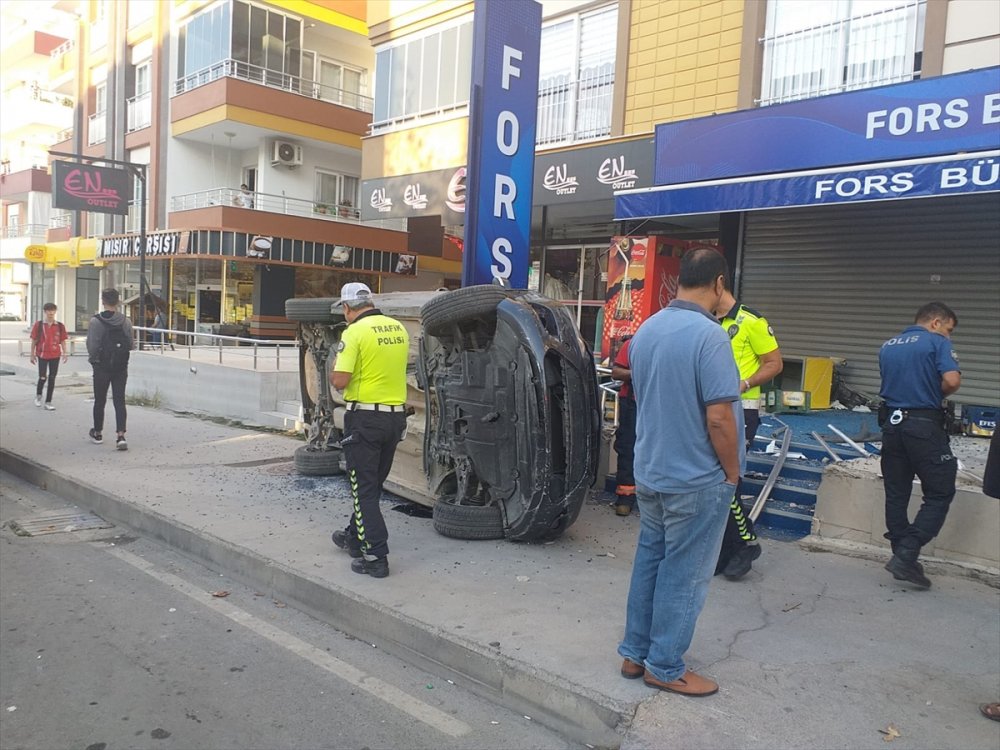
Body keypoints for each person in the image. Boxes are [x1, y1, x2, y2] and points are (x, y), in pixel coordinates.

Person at [618, 248, 744, 697]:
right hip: (696, 478)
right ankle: (665, 666)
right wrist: (731, 473)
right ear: (719, 284)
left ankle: (635, 653)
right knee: (686, 573)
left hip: (651, 470)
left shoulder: (648, 328)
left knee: (651, 562)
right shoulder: (710, 337)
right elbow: (719, 418)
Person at [328, 282, 409, 578]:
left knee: (363, 490)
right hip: (395, 419)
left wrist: (335, 365)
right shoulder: (397, 329)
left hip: (364, 419)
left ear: (348, 308)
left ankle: (375, 556)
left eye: (344, 311)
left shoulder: (354, 333)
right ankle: (353, 536)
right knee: (372, 484)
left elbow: (339, 380)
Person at [878, 301, 961, 589]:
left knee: (896, 494)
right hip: (924, 426)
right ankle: (908, 551)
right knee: (940, 491)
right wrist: (931, 388)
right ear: (936, 322)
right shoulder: (936, 342)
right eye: (948, 330)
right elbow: (951, 381)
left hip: (892, 426)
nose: (948, 336)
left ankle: (904, 558)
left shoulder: (887, 346)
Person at [714, 286, 784, 579]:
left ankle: (744, 543)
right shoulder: (706, 321)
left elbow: (775, 363)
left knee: (729, 480)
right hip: (711, 408)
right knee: (716, 480)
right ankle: (727, 548)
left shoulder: (750, 321)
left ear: (717, 286)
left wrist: (745, 382)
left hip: (741, 410)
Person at [86, 289, 134, 451]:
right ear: (118, 301)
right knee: (119, 401)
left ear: (103, 301)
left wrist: (94, 360)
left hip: (101, 366)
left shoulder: (95, 322)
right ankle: (121, 436)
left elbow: (92, 345)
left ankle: (98, 432)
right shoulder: (125, 321)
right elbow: (131, 344)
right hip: (120, 367)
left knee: (100, 400)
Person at [611, 336, 636, 516]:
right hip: (632, 403)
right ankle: (625, 498)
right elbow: (617, 372)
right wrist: (637, 373)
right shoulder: (633, 344)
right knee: (628, 447)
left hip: (658, 404)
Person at [29, 302, 69, 411]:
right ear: (45, 312)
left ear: (55, 312)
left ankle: (48, 401)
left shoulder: (60, 326)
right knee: (43, 377)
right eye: (48, 310)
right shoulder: (39, 325)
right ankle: (38, 395)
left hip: (55, 354)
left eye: (53, 310)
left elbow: (63, 341)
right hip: (42, 354)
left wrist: (65, 353)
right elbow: (34, 340)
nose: (51, 313)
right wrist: (32, 354)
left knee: (52, 378)